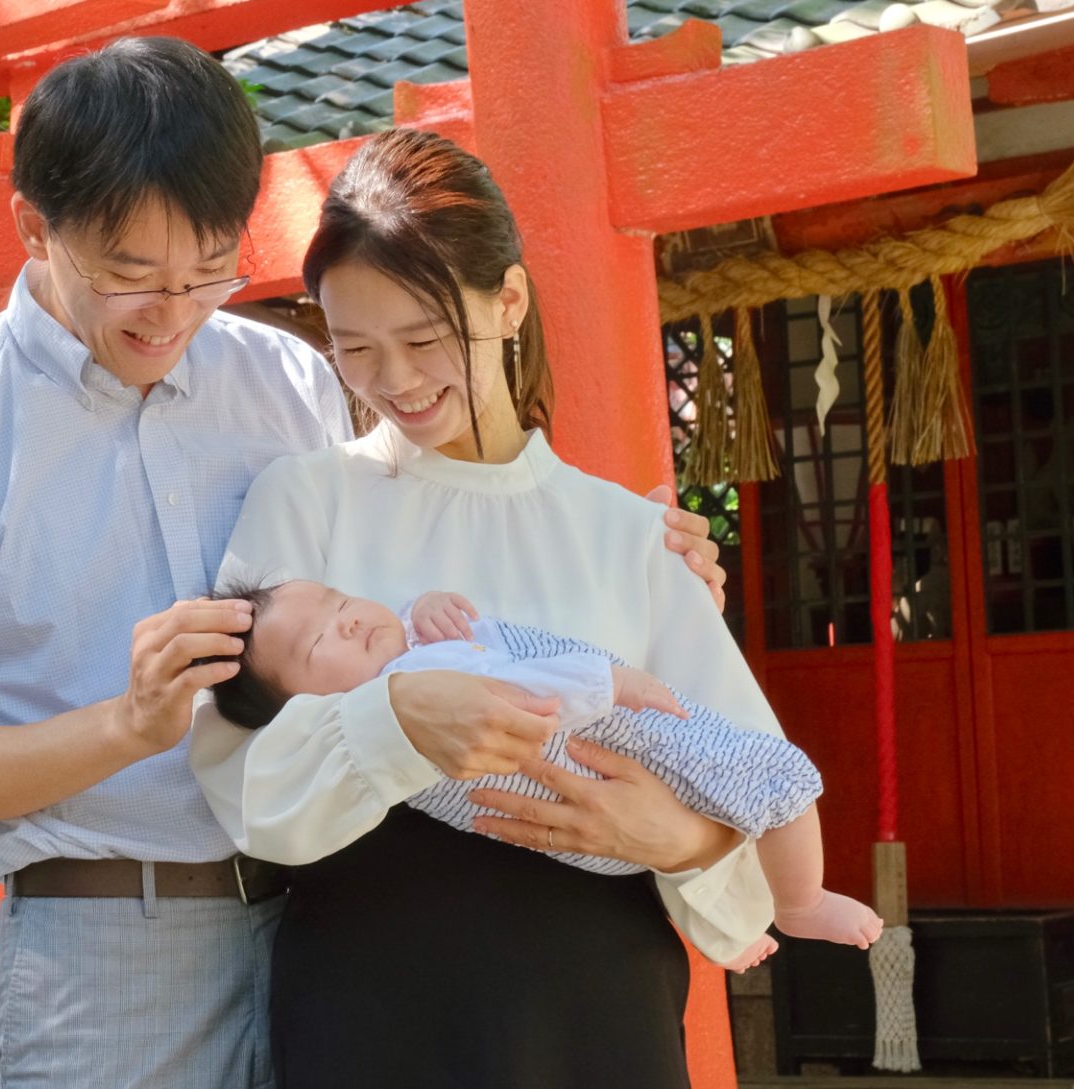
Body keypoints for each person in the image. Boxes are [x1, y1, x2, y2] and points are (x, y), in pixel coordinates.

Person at [0, 38, 728, 1089]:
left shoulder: (289, 381)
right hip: (117, 949)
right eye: (133, 277)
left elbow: (423, 582)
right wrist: (125, 728)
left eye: (210, 271)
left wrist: (634, 572)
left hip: (348, 924)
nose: (173, 314)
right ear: (34, 225)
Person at [191, 128, 786, 1088]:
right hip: (373, 998)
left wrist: (660, 835)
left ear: (507, 301)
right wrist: (392, 721)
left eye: (425, 340)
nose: (395, 382)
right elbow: (240, 779)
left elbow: (750, 779)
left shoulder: (625, 532)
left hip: (599, 1003)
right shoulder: (302, 499)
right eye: (355, 348)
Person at [202, 579, 883, 969]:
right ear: (304, 713)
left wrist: (424, 609)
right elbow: (524, 688)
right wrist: (608, 681)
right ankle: (801, 901)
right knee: (777, 781)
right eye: (316, 642)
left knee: (730, 808)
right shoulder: (408, 691)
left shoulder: (409, 655)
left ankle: (743, 930)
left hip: (602, 849)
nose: (346, 621)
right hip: (596, 755)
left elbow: (452, 640)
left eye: (337, 599)